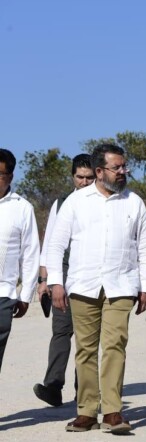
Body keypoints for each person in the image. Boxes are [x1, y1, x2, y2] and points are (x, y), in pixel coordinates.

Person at [47, 144, 146, 434]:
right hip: (83, 285)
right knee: (85, 349)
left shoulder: (134, 202)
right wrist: (56, 282)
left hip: (121, 285)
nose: (123, 172)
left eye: (124, 167)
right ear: (99, 171)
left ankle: (112, 412)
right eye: (116, 168)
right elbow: (56, 245)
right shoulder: (76, 201)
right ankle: (85, 412)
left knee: (114, 346)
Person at [34, 154, 95, 407]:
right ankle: (53, 386)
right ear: (73, 177)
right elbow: (50, 244)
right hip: (64, 272)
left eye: (89, 177)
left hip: (91, 272)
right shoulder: (61, 203)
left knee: (87, 334)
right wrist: (43, 279)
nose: (83, 182)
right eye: (79, 177)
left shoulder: (102, 203)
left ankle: (84, 389)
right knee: (61, 330)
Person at [0, 148, 40, 375]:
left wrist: (25, 295)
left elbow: (31, 253)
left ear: (10, 177)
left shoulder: (22, 208)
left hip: (3, 294)